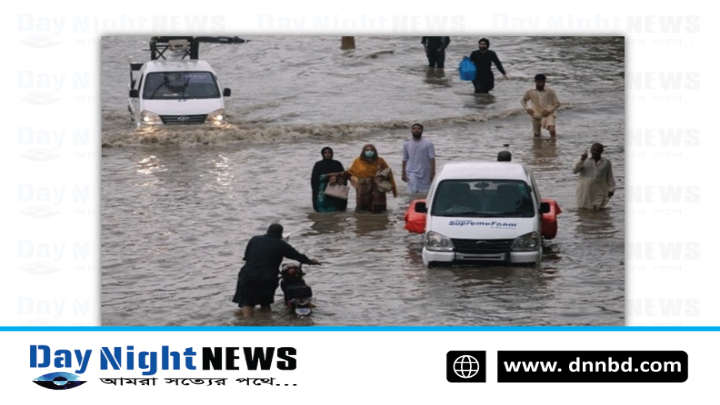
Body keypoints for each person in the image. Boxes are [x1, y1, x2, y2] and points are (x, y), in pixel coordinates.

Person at [232, 224, 320, 317]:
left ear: (268, 231)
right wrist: (310, 261)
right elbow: (297, 256)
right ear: (280, 234)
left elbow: (246, 257)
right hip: (268, 278)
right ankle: (266, 323)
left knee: (247, 302)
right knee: (265, 303)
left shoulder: (255, 239)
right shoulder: (281, 244)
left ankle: (247, 324)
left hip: (248, 275)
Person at [340, 144, 397, 213]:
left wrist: (382, 177)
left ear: (375, 151)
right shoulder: (358, 161)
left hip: (377, 186)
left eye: (371, 150)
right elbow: (351, 172)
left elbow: (388, 172)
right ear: (363, 151)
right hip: (363, 187)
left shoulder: (380, 161)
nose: (369, 152)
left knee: (379, 210)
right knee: (363, 208)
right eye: (367, 150)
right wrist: (339, 176)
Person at [572, 143, 616, 209]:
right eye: (594, 150)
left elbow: (610, 177)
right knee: (583, 210)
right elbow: (575, 171)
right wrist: (581, 160)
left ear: (602, 151)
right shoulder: (583, 160)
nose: (595, 152)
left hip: (600, 190)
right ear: (591, 150)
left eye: (598, 151)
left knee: (599, 211)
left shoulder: (606, 162)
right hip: (585, 190)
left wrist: (612, 189)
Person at [311, 146, 348, 213]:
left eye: (329, 153)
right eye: (325, 153)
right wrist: (329, 175)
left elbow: (343, 176)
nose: (327, 154)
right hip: (322, 190)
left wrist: (336, 177)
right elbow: (315, 178)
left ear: (332, 153)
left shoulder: (337, 164)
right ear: (322, 154)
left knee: (336, 211)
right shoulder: (318, 165)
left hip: (335, 189)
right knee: (322, 210)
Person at [402, 123, 436, 193]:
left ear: (422, 131)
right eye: (414, 129)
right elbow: (404, 159)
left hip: (425, 172)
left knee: (425, 192)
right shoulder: (407, 144)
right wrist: (403, 173)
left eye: (418, 129)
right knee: (413, 190)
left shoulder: (428, 143)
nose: (416, 130)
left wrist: (432, 173)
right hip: (411, 171)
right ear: (411, 131)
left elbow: (432, 159)